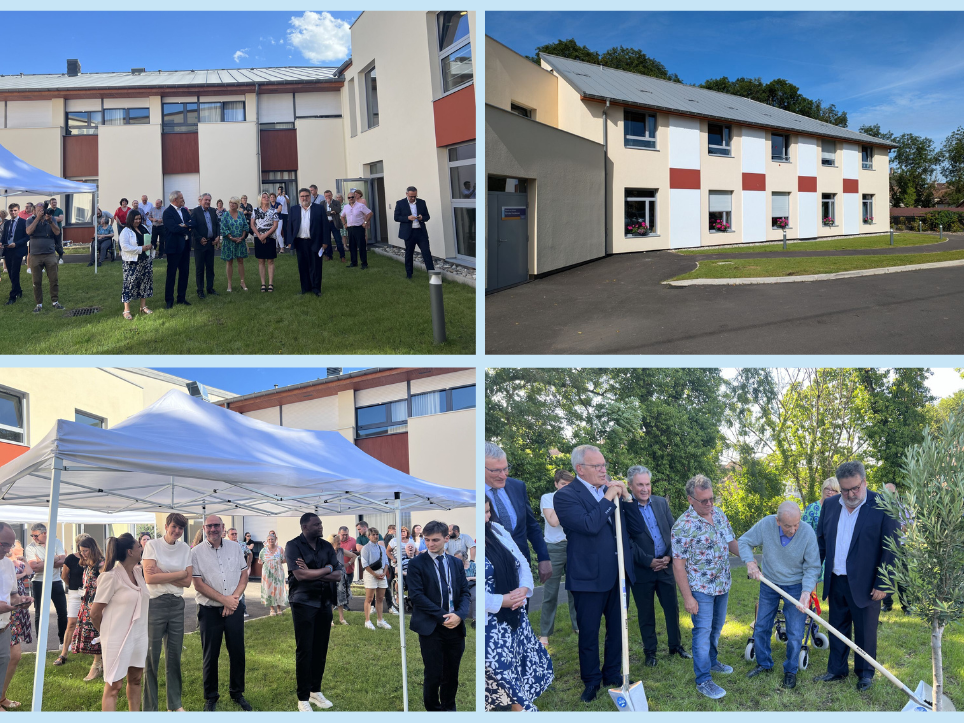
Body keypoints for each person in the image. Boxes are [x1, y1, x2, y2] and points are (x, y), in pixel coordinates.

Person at [553, 445, 644, 703]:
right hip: (588, 575)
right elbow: (588, 525)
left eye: (604, 465)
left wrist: (626, 498)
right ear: (580, 469)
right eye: (597, 466)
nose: (604, 470)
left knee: (618, 628)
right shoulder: (565, 496)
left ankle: (612, 673)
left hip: (619, 574)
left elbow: (636, 529)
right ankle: (591, 680)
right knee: (589, 631)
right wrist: (607, 499)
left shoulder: (613, 493)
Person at [815, 460, 900, 693]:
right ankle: (836, 669)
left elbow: (892, 548)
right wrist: (813, 574)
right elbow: (821, 543)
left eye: (855, 488)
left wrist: (884, 583)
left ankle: (865, 673)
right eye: (845, 489)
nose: (850, 494)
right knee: (837, 627)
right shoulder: (831, 505)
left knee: (865, 630)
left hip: (868, 583)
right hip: (836, 580)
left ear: (864, 481)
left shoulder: (883, 505)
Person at [671, 474, 740, 700]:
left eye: (712, 498)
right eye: (704, 501)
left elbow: (731, 542)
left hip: (722, 583)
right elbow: (678, 566)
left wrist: (751, 559)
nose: (709, 504)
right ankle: (703, 679)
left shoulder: (718, 514)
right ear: (691, 499)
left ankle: (712, 661)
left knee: (717, 627)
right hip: (700, 589)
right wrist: (688, 597)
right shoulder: (683, 525)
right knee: (702, 632)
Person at [739, 501, 821, 689]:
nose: (793, 530)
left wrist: (806, 592)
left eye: (796, 524)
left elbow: (813, 566)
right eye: (787, 526)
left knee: (795, 632)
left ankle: (791, 670)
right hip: (770, 583)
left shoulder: (807, 532)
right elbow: (744, 541)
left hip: (796, 586)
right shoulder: (767, 524)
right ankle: (764, 663)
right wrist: (750, 562)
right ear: (777, 521)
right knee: (761, 626)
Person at [484, 497, 552, 711]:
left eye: (488, 512)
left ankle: (516, 705)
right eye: (482, 513)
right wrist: (500, 600)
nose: (487, 517)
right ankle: (521, 708)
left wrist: (523, 589)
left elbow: (521, 561)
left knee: (515, 666)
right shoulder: (473, 543)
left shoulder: (496, 529)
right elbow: (471, 591)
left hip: (514, 614)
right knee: (499, 669)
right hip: (491, 622)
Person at [626, 465, 690, 666]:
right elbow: (627, 541)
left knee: (672, 608)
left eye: (647, 484)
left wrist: (669, 557)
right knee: (646, 613)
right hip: (642, 570)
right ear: (630, 485)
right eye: (640, 485)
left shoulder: (661, 503)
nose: (645, 489)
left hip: (666, 567)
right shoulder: (625, 507)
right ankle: (650, 652)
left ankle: (675, 645)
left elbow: (675, 532)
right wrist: (648, 560)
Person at [408, 520, 471, 711]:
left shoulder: (455, 563)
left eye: (435, 540)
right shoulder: (416, 563)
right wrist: (445, 616)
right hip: (431, 627)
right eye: (426, 540)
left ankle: (449, 709)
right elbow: (417, 596)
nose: (430, 544)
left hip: (455, 626)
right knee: (433, 673)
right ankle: (433, 710)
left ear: (446, 538)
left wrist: (459, 615)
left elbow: (465, 592)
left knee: (452, 674)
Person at [191, 515, 251, 711]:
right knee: (210, 655)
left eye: (217, 525)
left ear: (223, 527)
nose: (213, 529)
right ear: (204, 528)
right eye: (209, 526)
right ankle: (211, 696)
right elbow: (198, 584)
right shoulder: (196, 552)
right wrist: (223, 599)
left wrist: (232, 600)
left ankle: (237, 693)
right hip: (209, 611)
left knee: (237, 652)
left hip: (233, 608)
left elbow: (244, 574)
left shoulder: (235, 547)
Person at [284, 512, 342, 712]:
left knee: (320, 648)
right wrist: (326, 569)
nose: (321, 526)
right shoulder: (293, 546)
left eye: (321, 523)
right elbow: (300, 575)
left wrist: (315, 572)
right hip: (303, 603)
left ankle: (315, 690)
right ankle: (302, 697)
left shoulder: (326, 546)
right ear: (305, 527)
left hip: (325, 602)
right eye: (316, 524)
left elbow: (338, 575)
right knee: (305, 649)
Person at [91, 534, 149, 711]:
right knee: (114, 686)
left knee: (136, 680)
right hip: (117, 639)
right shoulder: (110, 577)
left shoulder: (139, 572)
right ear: (130, 551)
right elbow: (95, 613)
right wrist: (106, 634)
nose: (142, 548)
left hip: (139, 636)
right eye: (139, 546)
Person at [142, 512, 192, 712]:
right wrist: (179, 574)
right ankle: (150, 709)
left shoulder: (185, 548)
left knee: (174, 656)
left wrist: (162, 573)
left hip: (177, 604)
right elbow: (149, 579)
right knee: (151, 657)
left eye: (181, 528)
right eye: (174, 527)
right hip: (155, 604)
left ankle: (174, 704)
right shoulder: (152, 545)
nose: (177, 531)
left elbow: (188, 582)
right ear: (166, 525)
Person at [484, 442, 551, 585]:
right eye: (496, 471)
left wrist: (544, 557)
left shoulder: (517, 486)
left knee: (522, 605)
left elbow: (531, 525)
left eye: (505, 468)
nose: (503, 475)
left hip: (522, 569)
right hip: (494, 571)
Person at [538, 469, 579, 647]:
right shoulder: (548, 498)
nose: (565, 488)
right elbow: (553, 521)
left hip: (574, 546)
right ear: (556, 484)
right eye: (563, 485)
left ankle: (578, 625)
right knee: (550, 593)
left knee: (575, 590)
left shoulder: (576, 497)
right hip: (554, 548)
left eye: (569, 486)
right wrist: (564, 502)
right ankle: (545, 632)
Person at [0, 523, 33, 709]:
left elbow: (13, 594)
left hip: (4, 625)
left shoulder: (7, 564)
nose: (7, 550)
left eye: (9, 545)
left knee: (5, 662)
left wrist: (21, 599)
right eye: (3, 544)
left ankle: (1, 698)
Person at [25, 522, 67, 647]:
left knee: (62, 612)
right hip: (39, 582)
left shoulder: (56, 542)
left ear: (45, 533)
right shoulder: (30, 547)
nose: (34, 538)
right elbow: (34, 567)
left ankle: (63, 642)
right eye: (32, 535)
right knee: (40, 613)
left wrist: (42, 561)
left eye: (36, 535)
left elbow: (63, 560)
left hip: (56, 581)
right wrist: (54, 558)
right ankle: (41, 643)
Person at [70, 536, 105, 682]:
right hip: (86, 601)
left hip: (97, 602)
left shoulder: (100, 563)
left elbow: (106, 583)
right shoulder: (87, 564)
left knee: (97, 633)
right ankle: (100, 663)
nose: (83, 553)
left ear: (93, 548)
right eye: (81, 551)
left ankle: (97, 665)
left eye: (85, 550)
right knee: (91, 634)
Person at [53, 533, 91, 667]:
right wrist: (73, 586)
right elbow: (64, 576)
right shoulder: (70, 558)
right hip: (75, 593)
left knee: (95, 622)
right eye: (82, 546)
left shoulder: (95, 559)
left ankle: (96, 652)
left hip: (91, 594)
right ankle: (64, 652)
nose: (84, 550)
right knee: (71, 623)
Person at [287, 187, 327, 297]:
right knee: (302, 266)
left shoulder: (318, 208)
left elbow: (325, 226)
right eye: (302, 196)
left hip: (315, 241)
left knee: (316, 266)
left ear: (310, 197)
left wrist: (325, 242)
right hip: (300, 242)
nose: (304, 198)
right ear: (299, 198)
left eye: (306, 196)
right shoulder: (294, 209)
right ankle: (305, 288)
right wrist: (290, 241)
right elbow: (290, 225)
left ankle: (316, 288)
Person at [25, 204, 64, 313]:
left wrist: (50, 221)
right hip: (35, 255)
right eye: (39, 211)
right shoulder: (30, 220)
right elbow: (28, 231)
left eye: (42, 211)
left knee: (54, 279)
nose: (41, 213)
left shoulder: (51, 219)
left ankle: (55, 302)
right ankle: (39, 304)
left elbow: (57, 232)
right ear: (34, 212)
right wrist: (38, 218)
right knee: (36, 281)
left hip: (50, 254)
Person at [802, 476, 840, 584]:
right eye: (827, 489)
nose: (830, 492)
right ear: (822, 490)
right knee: (811, 581)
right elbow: (803, 532)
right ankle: (810, 601)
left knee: (833, 584)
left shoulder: (842, 509)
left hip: (834, 552)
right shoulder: (812, 508)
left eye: (834, 490)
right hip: (814, 551)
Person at [118, 208, 154, 320]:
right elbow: (125, 247)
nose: (138, 221)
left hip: (145, 260)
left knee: (145, 283)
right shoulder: (125, 231)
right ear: (130, 219)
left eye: (139, 218)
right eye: (136, 219)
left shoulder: (143, 228)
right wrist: (141, 249)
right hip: (132, 262)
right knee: (130, 284)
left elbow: (148, 239)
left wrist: (150, 246)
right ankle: (126, 310)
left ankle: (143, 307)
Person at [394, 186, 436, 279]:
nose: (413, 198)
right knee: (409, 253)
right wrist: (407, 218)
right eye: (411, 196)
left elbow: (427, 216)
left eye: (414, 196)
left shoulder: (422, 202)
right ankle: (409, 274)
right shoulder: (400, 203)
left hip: (420, 232)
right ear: (406, 194)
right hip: (409, 233)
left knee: (426, 252)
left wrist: (422, 218)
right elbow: (396, 217)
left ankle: (432, 274)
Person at [162, 190, 194, 309]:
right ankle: (169, 300)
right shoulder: (167, 213)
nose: (183, 199)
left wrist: (185, 225)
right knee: (171, 274)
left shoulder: (184, 211)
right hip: (174, 248)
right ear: (175, 200)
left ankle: (181, 298)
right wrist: (186, 227)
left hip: (185, 247)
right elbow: (173, 228)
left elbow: (192, 223)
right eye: (181, 198)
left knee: (184, 273)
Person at [360, 527, 392, 631]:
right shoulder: (365, 548)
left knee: (380, 598)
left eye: (377, 534)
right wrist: (374, 574)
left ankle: (380, 620)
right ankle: (367, 620)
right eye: (373, 534)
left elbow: (386, 562)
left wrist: (383, 572)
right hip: (370, 574)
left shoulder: (382, 548)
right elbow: (364, 564)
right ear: (368, 536)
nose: (375, 536)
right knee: (369, 598)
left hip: (381, 573)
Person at [190, 193, 220, 299]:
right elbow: (192, 227)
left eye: (209, 200)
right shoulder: (195, 211)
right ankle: (200, 290)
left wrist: (217, 237)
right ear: (201, 200)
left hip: (210, 243)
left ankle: (210, 288)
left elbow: (217, 224)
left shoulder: (212, 211)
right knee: (200, 268)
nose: (207, 202)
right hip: (200, 244)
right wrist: (199, 238)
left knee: (210, 267)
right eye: (206, 200)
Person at [219, 197, 249, 293]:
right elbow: (223, 228)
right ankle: (229, 283)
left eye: (234, 203)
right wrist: (231, 237)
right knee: (229, 262)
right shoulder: (225, 215)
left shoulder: (241, 214)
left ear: (238, 205)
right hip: (229, 242)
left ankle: (242, 282)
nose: (232, 204)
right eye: (230, 203)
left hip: (240, 241)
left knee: (240, 261)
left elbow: (245, 226)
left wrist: (242, 237)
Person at [251, 192, 279, 292]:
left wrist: (265, 235)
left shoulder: (273, 211)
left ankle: (270, 283)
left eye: (267, 197)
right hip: (258, 238)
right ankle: (263, 283)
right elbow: (252, 225)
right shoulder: (255, 210)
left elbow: (275, 225)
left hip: (270, 238)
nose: (266, 198)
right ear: (260, 199)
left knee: (270, 260)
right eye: (264, 197)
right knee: (261, 260)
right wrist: (259, 236)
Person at [2, 203, 28, 305]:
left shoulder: (23, 222)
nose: (13, 212)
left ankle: (13, 296)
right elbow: (4, 236)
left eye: (15, 210)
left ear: (18, 211)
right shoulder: (7, 223)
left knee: (14, 272)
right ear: (9, 211)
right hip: (7, 250)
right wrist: (1, 242)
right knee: (10, 273)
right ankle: (18, 290)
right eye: (11, 210)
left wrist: (16, 244)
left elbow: (27, 237)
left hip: (17, 250)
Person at [339, 190, 372, 269]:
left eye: (352, 197)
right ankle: (353, 262)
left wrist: (365, 222)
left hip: (359, 228)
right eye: (349, 197)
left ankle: (364, 263)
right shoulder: (346, 207)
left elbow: (370, 213)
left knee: (361, 246)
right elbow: (342, 216)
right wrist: (345, 224)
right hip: (350, 229)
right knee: (352, 246)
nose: (351, 199)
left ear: (355, 197)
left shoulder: (360, 205)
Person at [260, 532, 287, 616]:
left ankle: (279, 608)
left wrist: (276, 563)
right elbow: (260, 561)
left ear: (275, 540)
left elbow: (284, 560)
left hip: (278, 572)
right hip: (267, 573)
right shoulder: (263, 550)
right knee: (269, 589)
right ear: (267, 541)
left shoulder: (280, 549)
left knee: (279, 590)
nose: (271, 540)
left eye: (272, 539)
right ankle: (271, 609)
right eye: (269, 539)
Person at [334, 527, 356, 624]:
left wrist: (348, 564)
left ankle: (341, 618)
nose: (340, 543)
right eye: (338, 542)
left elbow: (354, 555)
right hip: (331, 577)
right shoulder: (328, 551)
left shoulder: (341, 550)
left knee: (341, 597)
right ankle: (330, 620)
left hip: (341, 577)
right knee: (331, 597)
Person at [320, 190, 344, 261]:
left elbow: (338, 210)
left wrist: (330, 204)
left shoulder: (336, 202)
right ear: (324, 196)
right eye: (326, 196)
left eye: (329, 195)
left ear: (332, 195)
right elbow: (322, 213)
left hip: (334, 223)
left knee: (338, 240)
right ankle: (329, 255)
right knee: (327, 240)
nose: (328, 197)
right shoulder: (322, 203)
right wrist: (331, 212)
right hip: (326, 223)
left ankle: (342, 256)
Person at [276, 186, 290, 251]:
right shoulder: (277, 197)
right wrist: (277, 194)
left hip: (285, 213)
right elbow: (272, 201)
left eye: (281, 190)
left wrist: (284, 196)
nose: (280, 191)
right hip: (279, 213)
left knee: (285, 228)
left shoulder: (286, 196)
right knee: (278, 229)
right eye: (279, 190)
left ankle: (286, 243)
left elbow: (288, 202)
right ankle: (278, 243)